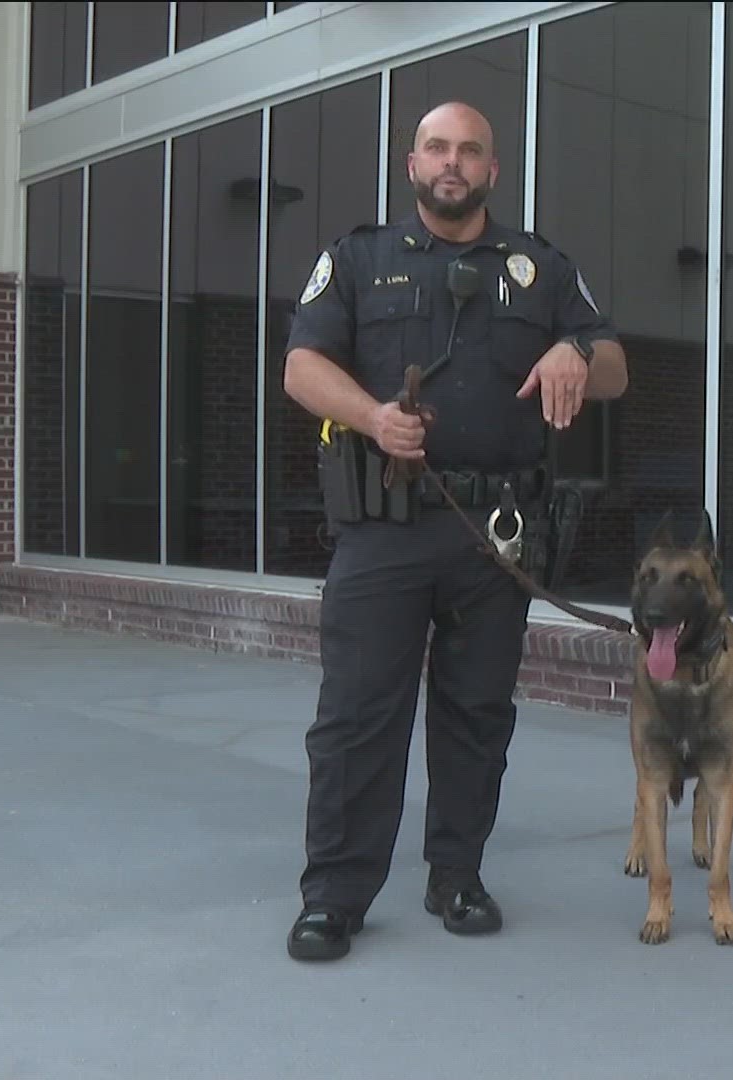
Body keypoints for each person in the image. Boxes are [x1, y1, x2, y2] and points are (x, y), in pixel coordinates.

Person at [279, 101, 628, 962]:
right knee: (359, 717)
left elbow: (616, 363)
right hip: (385, 528)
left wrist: (576, 355)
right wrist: (370, 416)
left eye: (470, 151)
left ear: (491, 171)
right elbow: (300, 366)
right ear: (413, 163)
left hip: (495, 537)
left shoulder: (538, 267)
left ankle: (457, 877)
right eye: (438, 147)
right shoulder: (358, 259)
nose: (453, 162)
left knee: (477, 716)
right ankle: (334, 897)